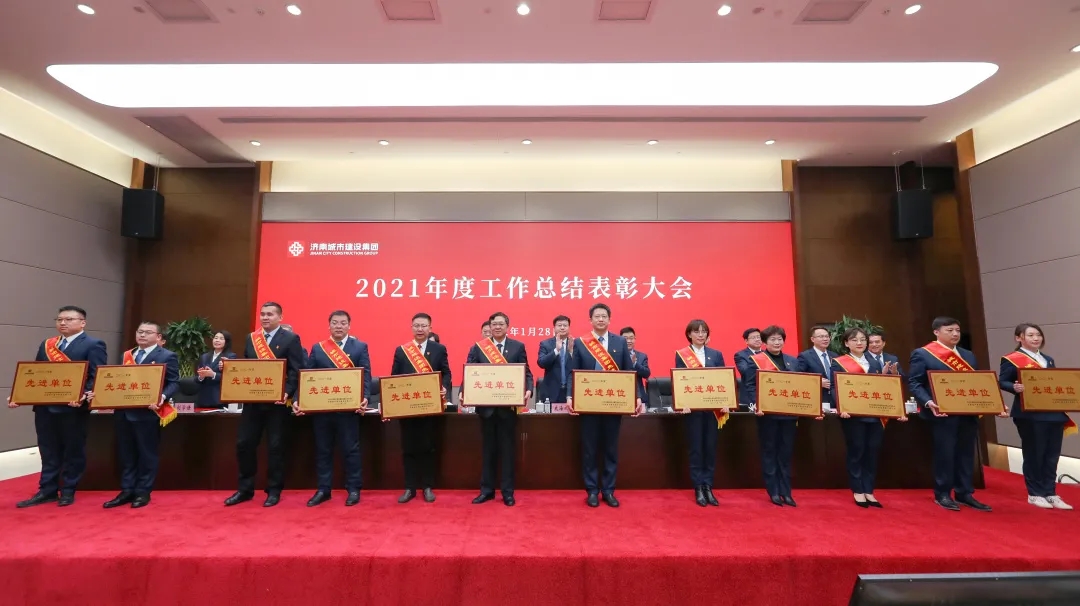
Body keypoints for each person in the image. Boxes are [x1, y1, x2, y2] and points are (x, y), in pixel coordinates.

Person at [10, 305, 107, 508]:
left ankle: (68, 490)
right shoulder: (47, 344)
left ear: (82, 323)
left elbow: (97, 375)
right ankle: (47, 490)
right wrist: (20, 394)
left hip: (73, 407)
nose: (63, 323)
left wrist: (83, 395)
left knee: (72, 449)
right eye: (59, 319)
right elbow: (37, 373)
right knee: (48, 450)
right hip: (45, 407)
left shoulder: (93, 344)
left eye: (69, 319)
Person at [909, 316, 1005, 512]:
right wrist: (928, 402)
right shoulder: (923, 354)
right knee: (945, 454)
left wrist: (995, 403)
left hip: (967, 412)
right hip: (941, 414)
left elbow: (977, 383)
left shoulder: (968, 355)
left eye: (957, 331)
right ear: (936, 332)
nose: (955, 334)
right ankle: (942, 493)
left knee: (966, 454)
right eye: (950, 330)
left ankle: (964, 493)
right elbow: (914, 383)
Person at [224, 302, 305, 508]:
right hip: (253, 403)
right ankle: (245, 489)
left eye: (270, 314)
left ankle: (274, 490)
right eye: (262, 314)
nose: (265, 318)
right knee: (244, 444)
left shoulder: (290, 338)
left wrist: (287, 391)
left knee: (276, 447)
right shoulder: (251, 338)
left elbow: (296, 370)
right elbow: (248, 367)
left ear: (280, 317)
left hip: (278, 404)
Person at [94, 322, 180, 509]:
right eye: (140, 331)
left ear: (158, 337)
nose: (142, 335)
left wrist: (161, 397)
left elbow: (174, 382)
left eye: (148, 332)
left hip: (148, 413)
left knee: (147, 454)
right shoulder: (127, 355)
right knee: (126, 454)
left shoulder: (167, 356)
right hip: (124, 412)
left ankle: (143, 492)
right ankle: (126, 490)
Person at [566, 303, 643, 508]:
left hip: (613, 404)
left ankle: (608, 491)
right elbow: (573, 373)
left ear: (609, 319)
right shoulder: (581, 343)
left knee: (610, 449)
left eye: (604, 316)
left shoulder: (620, 342)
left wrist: (636, 396)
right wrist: (570, 396)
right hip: (588, 404)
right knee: (590, 449)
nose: (600, 319)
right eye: (597, 316)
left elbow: (630, 372)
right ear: (590, 320)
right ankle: (592, 490)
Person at [293, 310, 371, 507]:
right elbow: (307, 376)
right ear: (329, 326)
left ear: (349, 326)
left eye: (343, 323)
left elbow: (366, 375)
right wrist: (299, 399)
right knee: (323, 450)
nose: (339, 326)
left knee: (350, 450)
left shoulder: (360, 347)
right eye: (335, 323)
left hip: (348, 410)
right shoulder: (318, 348)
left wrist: (365, 397)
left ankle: (353, 489)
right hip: (323, 410)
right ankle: (323, 490)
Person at [998, 322, 1073, 510]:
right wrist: (1014, 387)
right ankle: (1035, 493)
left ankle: (1050, 492)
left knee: (1051, 455)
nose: (1036, 338)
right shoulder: (1012, 359)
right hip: (1029, 414)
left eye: (1038, 335)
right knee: (1034, 454)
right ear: (1019, 338)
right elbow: (1002, 381)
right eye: (1030, 335)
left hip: (1053, 413)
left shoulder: (1048, 359)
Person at [463, 311, 533, 506]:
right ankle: (486, 491)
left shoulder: (517, 347)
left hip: (507, 409)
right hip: (486, 410)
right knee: (488, 452)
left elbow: (526, 372)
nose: (497, 327)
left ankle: (508, 493)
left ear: (507, 326)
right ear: (490, 326)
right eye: (494, 324)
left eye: (501, 324)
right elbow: (469, 372)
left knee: (508, 452)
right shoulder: (478, 348)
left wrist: (528, 389)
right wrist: (463, 391)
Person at [830, 327, 905, 508]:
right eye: (854, 340)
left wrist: (888, 377)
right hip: (853, 415)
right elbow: (834, 387)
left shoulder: (876, 361)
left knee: (872, 452)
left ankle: (869, 490)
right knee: (857, 451)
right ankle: (858, 490)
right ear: (846, 343)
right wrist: (842, 406)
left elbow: (882, 387)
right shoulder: (839, 362)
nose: (859, 343)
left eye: (863, 339)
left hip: (875, 415)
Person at [390, 312, 451, 504]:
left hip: (429, 407)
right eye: (416, 325)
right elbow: (394, 378)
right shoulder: (402, 351)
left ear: (430, 328)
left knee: (427, 447)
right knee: (408, 448)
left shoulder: (439, 349)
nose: (420, 329)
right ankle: (409, 487)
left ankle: (427, 486)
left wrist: (444, 387)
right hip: (407, 409)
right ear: (411, 328)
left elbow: (446, 373)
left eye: (424, 326)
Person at [742, 325, 803, 506]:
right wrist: (757, 404)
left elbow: (800, 385)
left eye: (780, 339)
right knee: (769, 452)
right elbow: (751, 386)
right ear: (765, 342)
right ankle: (773, 491)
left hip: (788, 414)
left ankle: (786, 491)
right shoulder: (756, 360)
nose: (777, 342)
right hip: (767, 414)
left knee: (785, 453)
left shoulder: (792, 361)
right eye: (773, 339)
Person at [673, 319, 726, 507]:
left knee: (710, 448)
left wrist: (726, 402)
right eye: (697, 331)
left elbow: (723, 380)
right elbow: (680, 380)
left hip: (712, 409)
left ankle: (708, 486)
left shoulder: (716, 354)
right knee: (696, 448)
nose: (701, 335)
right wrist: (682, 403)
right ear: (689, 334)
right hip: (693, 410)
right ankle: (698, 487)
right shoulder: (682, 354)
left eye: (704, 331)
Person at [195, 331, 236, 409]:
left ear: (226, 342)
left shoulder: (230, 357)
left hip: (219, 399)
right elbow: (196, 379)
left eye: (221, 338)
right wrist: (201, 376)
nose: (217, 340)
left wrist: (213, 374)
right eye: (216, 338)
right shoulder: (204, 357)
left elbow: (231, 378)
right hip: (203, 399)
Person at [537, 315, 572, 404]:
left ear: (569, 327)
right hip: (551, 392)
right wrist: (556, 350)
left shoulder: (575, 344)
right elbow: (541, 363)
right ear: (554, 328)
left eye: (565, 325)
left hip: (571, 392)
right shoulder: (545, 344)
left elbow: (580, 366)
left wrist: (572, 353)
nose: (562, 328)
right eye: (559, 325)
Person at [797, 325, 835, 406]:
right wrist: (816, 382)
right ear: (812, 339)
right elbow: (799, 377)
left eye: (827, 336)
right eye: (821, 336)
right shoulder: (805, 356)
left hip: (834, 400)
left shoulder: (834, 356)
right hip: (816, 399)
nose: (825, 339)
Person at [621, 326, 651, 407]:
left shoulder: (642, 356)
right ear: (620, 340)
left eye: (631, 338)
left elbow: (647, 374)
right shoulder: (615, 356)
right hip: (621, 395)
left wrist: (635, 364)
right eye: (625, 338)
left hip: (640, 397)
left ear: (635, 339)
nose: (629, 341)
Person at [734, 327, 763, 405]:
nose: (757, 339)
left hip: (766, 392)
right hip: (749, 396)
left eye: (759, 337)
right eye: (753, 338)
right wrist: (759, 359)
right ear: (746, 341)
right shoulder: (740, 355)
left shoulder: (767, 354)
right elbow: (745, 371)